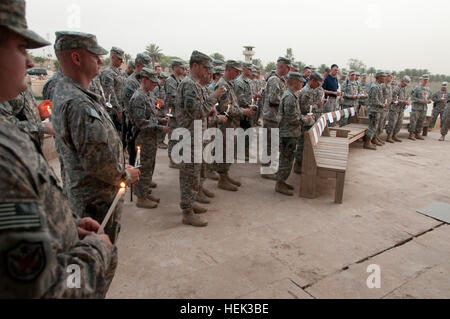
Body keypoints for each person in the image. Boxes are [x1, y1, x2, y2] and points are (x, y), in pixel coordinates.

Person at [0, 0, 117, 298]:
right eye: (20, 48)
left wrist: (65, 226)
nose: (29, 62)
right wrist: (95, 251)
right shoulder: (5, 157)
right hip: (91, 199)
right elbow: (42, 290)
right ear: (77, 58)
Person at [51, 31, 140, 244]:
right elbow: (96, 162)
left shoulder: (72, 93)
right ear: (76, 58)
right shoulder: (79, 104)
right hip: (95, 202)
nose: (101, 60)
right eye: (95, 56)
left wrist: (120, 165)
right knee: (98, 261)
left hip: (90, 197)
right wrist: (124, 175)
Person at [175, 51, 224, 227]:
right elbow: (196, 112)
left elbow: (199, 110)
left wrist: (209, 109)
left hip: (195, 136)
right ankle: (187, 211)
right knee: (189, 174)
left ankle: (191, 201)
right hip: (188, 137)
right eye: (205, 67)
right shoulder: (188, 85)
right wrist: (213, 98)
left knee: (194, 173)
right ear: (194, 66)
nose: (208, 71)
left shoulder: (194, 85)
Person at [129, 68, 170, 209]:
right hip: (143, 138)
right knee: (143, 167)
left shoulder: (148, 95)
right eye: (152, 82)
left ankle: (145, 191)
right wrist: (160, 128)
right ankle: (141, 197)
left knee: (149, 166)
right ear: (144, 80)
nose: (155, 85)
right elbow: (141, 122)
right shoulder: (138, 97)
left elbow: (151, 116)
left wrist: (161, 120)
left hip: (150, 138)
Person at [213, 60, 254, 190]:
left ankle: (225, 175)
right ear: (229, 69)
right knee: (225, 151)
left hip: (232, 124)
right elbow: (226, 108)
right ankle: (222, 179)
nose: (238, 74)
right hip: (226, 124)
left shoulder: (229, 84)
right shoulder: (223, 85)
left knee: (229, 151)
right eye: (236, 71)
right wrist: (244, 111)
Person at [276, 72, 313, 196]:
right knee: (286, 159)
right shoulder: (290, 97)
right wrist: (305, 120)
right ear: (295, 82)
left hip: (290, 132)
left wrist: (301, 118)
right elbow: (292, 119)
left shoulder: (292, 95)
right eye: (301, 81)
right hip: (288, 133)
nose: (302, 83)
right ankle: (280, 183)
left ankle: (282, 181)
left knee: (288, 158)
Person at [261, 57, 290, 179]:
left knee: (272, 144)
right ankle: (266, 170)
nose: (289, 70)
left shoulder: (281, 80)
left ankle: (269, 167)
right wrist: (286, 101)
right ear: (282, 67)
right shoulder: (274, 80)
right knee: (270, 144)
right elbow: (273, 99)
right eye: (288, 68)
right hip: (271, 117)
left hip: (275, 117)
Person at [122, 53, 151, 164]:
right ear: (138, 65)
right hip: (134, 125)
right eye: (145, 67)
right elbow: (128, 107)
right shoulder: (131, 82)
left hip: (142, 123)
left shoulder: (141, 80)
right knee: (134, 155)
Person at [294, 72, 324, 174]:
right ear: (313, 81)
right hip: (304, 122)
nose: (319, 86)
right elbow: (305, 108)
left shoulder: (311, 90)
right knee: (302, 143)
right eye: (318, 83)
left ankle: (302, 162)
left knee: (307, 144)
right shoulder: (306, 91)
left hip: (309, 121)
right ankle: (298, 164)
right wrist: (317, 106)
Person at [99, 46, 126, 133]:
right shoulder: (107, 73)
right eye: (119, 59)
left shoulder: (118, 72)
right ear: (113, 57)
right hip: (113, 112)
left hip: (121, 108)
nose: (122, 61)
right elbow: (110, 94)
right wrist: (118, 110)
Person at [166, 59, 186, 169]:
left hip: (179, 114)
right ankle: (172, 160)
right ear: (174, 68)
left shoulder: (179, 80)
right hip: (173, 114)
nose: (182, 68)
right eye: (180, 66)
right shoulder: (171, 81)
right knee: (173, 137)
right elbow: (172, 98)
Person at [364, 71, 386, 150]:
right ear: (379, 77)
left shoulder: (378, 86)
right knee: (372, 126)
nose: (384, 78)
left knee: (374, 126)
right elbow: (374, 101)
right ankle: (367, 142)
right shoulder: (375, 87)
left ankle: (372, 140)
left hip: (377, 110)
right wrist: (382, 105)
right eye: (383, 76)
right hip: (374, 110)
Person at [386, 76, 411, 143]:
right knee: (392, 123)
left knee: (399, 123)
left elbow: (406, 97)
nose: (405, 85)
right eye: (404, 83)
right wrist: (403, 101)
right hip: (394, 109)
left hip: (401, 109)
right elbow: (393, 99)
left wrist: (407, 101)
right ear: (401, 81)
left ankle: (395, 135)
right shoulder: (396, 89)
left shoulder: (405, 89)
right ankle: (389, 136)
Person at [409, 75, 432, 141]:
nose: (425, 81)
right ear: (421, 80)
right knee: (413, 121)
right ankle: (411, 134)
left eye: (427, 80)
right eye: (424, 80)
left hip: (424, 108)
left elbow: (430, 98)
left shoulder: (428, 89)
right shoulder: (416, 88)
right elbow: (412, 97)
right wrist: (421, 101)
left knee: (421, 121)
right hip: (416, 108)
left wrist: (428, 101)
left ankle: (418, 133)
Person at [377, 71, 393, 143]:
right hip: (382, 108)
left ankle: (378, 137)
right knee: (379, 123)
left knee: (383, 123)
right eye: (390, 76)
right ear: (386, 77)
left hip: (387, 108)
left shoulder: (389, 86)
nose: (391, 78)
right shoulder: (382, 86)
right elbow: (380, 96)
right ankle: (375, 137)